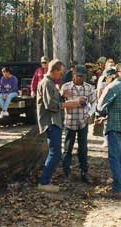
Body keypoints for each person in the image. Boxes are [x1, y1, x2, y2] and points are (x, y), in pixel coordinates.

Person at [36, 59, 86, 192]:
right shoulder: (46, 83)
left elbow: (54, 100)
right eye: (60, 72)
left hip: (55, 122)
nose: (61, 75)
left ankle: (45, 181)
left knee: (55, 153)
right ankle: (44, 182)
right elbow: (50, 105)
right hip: (51, 122)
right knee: (55, 153)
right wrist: (69, 104)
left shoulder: (51, 83)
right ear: (54, 71)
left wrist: (63, 96)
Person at [97, 63, 121, 199]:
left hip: (115, 128)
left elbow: (100, 106)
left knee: (115, 159)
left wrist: (103, 114)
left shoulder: (112, 87)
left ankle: (117, 190)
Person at [60, 65, 97, 183]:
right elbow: (60, 103)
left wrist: (89, 114)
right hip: (69, 121)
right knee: (67, 148)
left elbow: (95, 103)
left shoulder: (89, 88)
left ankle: (84, 172)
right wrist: (72, 102)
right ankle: (66, 173)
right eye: (77, 76)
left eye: (82, 76)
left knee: (83, 148)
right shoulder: (66, 87)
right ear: (73, 75)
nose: (80, 78)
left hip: (82, 122)